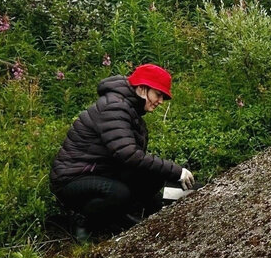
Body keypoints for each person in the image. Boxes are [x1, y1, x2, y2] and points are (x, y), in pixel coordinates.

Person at [49, 63, 195, 240]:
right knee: (119, 193)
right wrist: (177, 172)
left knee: (152, 175)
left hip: (102, 172)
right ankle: (83, 220)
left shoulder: (128, 108)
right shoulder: (114, 107)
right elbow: (128, 154)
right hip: (72, 179)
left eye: (163, 96)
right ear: (142, 88)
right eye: (158, 94)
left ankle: (127, 213)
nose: (161, 101)